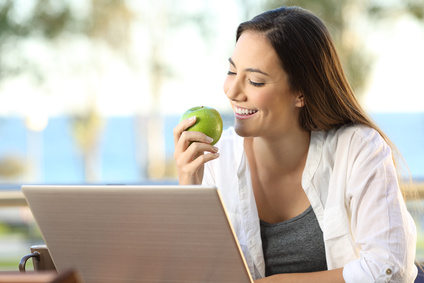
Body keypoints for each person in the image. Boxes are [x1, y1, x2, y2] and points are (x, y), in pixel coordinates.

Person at [173, 6, 417, 282]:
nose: (231, 91)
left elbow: (390, 268)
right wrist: (188, 190)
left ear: (301, 92)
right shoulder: (216, 159)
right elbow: (196, 275)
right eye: (231, 72)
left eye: (254, 81)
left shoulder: (358, 148)